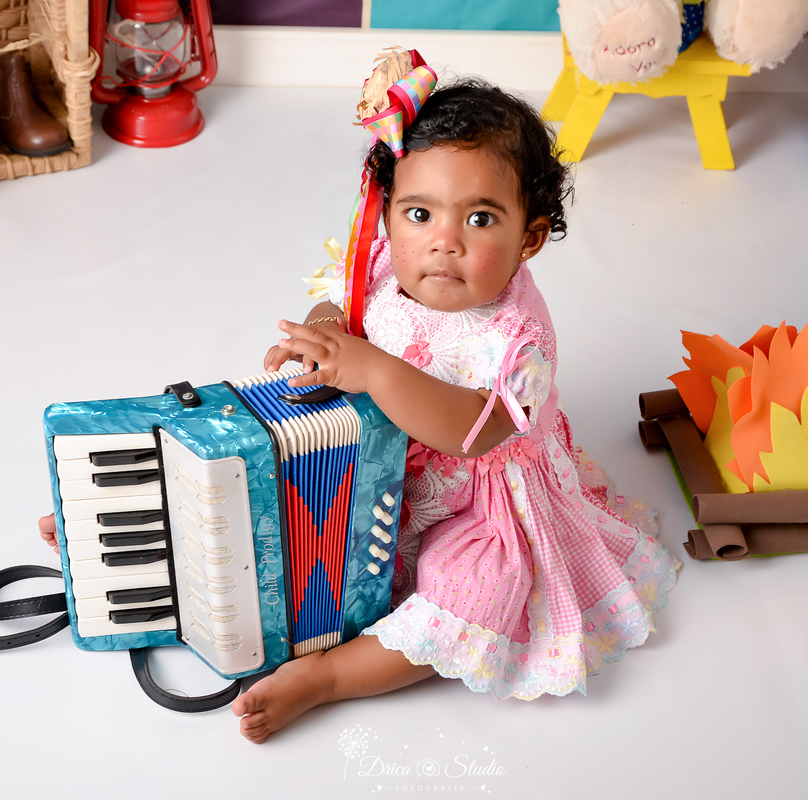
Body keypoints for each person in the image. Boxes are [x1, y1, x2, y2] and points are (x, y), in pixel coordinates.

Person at [231, 78, 680, 743]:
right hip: (366, 454)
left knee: (478, 588)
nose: (444, 241)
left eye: (479, 218)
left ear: (528, 239)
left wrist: (375, 368)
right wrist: (325, 337)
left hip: (476, 499)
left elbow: (472, 433)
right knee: (265, 466)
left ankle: (330, 678)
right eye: (420, 214)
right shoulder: (383, 264)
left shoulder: (520, 337)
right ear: (386, 214)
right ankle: (172, 516)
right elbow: (338, 304)